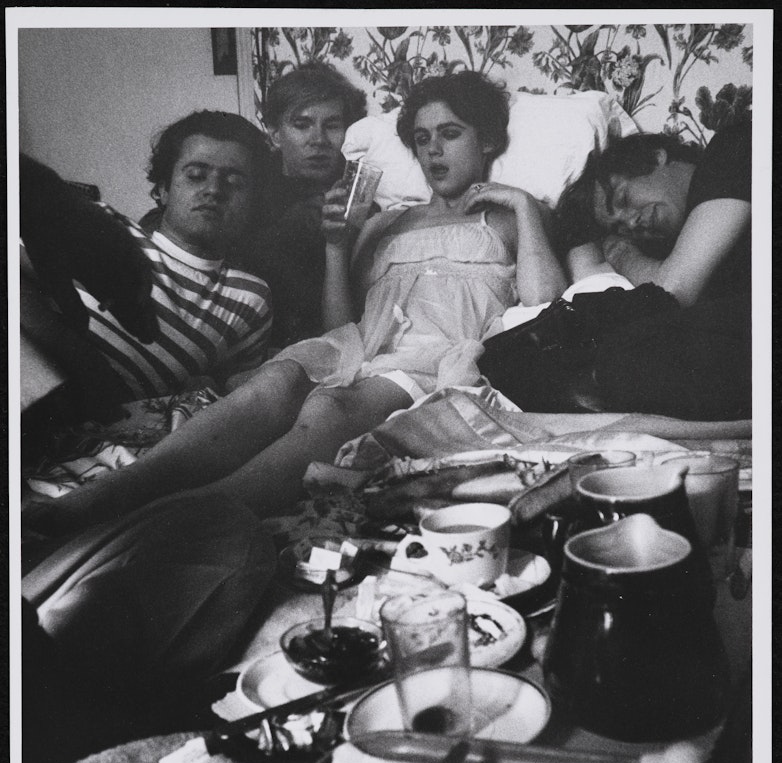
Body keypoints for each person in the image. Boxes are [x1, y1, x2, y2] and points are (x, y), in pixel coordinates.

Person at [24, 71, 565, 540]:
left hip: (434, 355)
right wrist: (337, 246)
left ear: (487, 140)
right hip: (361, 346)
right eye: (422, 138)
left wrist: (522, 206)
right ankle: (108, 495)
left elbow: (544, 306)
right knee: (275, 381)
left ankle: (185, 518)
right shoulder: (386, 221)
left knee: (330, 408)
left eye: (450, 134)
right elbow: (341, 326)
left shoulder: (508, 217)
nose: (433, 151)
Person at [20, 110, 273, 408]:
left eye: (234, 182)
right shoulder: (104, 227)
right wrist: (75, 352)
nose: (214, 190)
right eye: (196, 176)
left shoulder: (251, 298)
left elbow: (235, 399)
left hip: (112, 424)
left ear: (253, 202)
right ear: (164, 189)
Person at [555, 120, 752, 420]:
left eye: (623, 199)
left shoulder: (733, 146)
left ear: (656, 157)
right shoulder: (670, 249)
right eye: (619, 228)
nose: (631, 223)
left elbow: (671, 292)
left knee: (622, 358)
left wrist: (620, 251)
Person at [240, 63, 368, 351]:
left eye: (332, 126)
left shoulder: (359, 199)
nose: (318, 140)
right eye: (302, 125)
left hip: (332, 347)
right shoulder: (250, 189)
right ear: (275, 134)